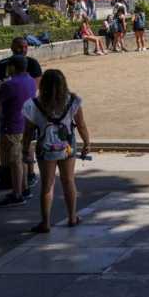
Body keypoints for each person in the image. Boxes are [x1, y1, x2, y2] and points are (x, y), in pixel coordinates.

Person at [22, 69, 90, 233]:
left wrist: (25, 149)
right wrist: (87, 142)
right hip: (67, 145)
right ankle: (72, 217)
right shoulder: (73, 101)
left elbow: (28, 131)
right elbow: (81, 124)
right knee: (68, 181)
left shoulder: (33, 104)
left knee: (47, 185)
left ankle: (45, 222)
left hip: (45, 147)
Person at [0, 55, 38, 207]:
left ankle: (17, 194)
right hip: (26, 125)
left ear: (13, 67)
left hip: (12, 127)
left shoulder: (9, 85)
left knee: (15, 162)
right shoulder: (30, 80)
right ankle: (24, 188)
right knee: (21, 160)